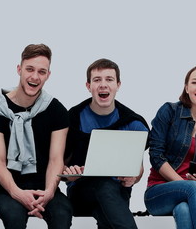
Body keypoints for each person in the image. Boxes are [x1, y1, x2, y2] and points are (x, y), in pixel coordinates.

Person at [0, 43, 73, 229]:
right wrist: (17, 193)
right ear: (19, 69)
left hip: (45, 187)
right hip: (6, 189)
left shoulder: (56, 110)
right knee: (14, 216)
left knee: (62, 214)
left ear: (48, 75)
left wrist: (48, 192)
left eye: (42, 72)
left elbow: (56, 159)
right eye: (29, 69)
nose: (34, 77)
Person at [62, 58, 149, 229]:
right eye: (97, 80)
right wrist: (69, 174)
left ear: (118, 85)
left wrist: (133, 177)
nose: (103, 85)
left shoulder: (133, 123)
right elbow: (57, 166)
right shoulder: (72, 118)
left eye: (109, 79)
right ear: (88, 86)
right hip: (81, 194)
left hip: (118, 196)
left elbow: (138, 168)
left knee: (106, 214)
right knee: (104, 184)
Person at [144, 65, 196, 229]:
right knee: (193, 190)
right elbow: (156, 156)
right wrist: (186, 185)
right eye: (195, 82)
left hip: (191, 195)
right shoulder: (169, 112)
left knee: (183, 210)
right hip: (158, 192)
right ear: (187, 88)